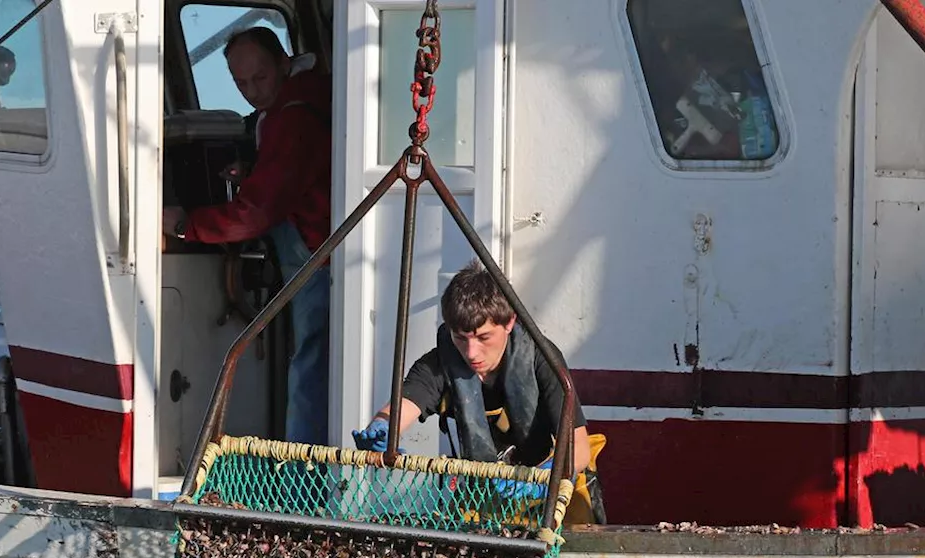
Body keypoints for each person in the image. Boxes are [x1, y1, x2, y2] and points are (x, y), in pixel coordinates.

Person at [162, 27, 332, 446]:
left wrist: (186, 225)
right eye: (240, 83)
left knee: (310, 365)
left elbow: (256, 213)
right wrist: (254, 172)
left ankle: (301, 480)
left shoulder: (294, 116)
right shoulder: (305, 97)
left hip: (319, 255)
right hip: (318, 248)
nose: (252, 92)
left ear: (283, 63)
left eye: (260, 78)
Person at [353, 260, 600, 512]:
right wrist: (381, 428)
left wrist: (545, 478)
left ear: (509, 322)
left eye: (484, 338)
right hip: (483, 494)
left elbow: (579, 449)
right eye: (460, 338)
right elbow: (399, 410)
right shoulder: (438, 364)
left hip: (552, 494)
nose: (471, 353)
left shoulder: (543, 359)